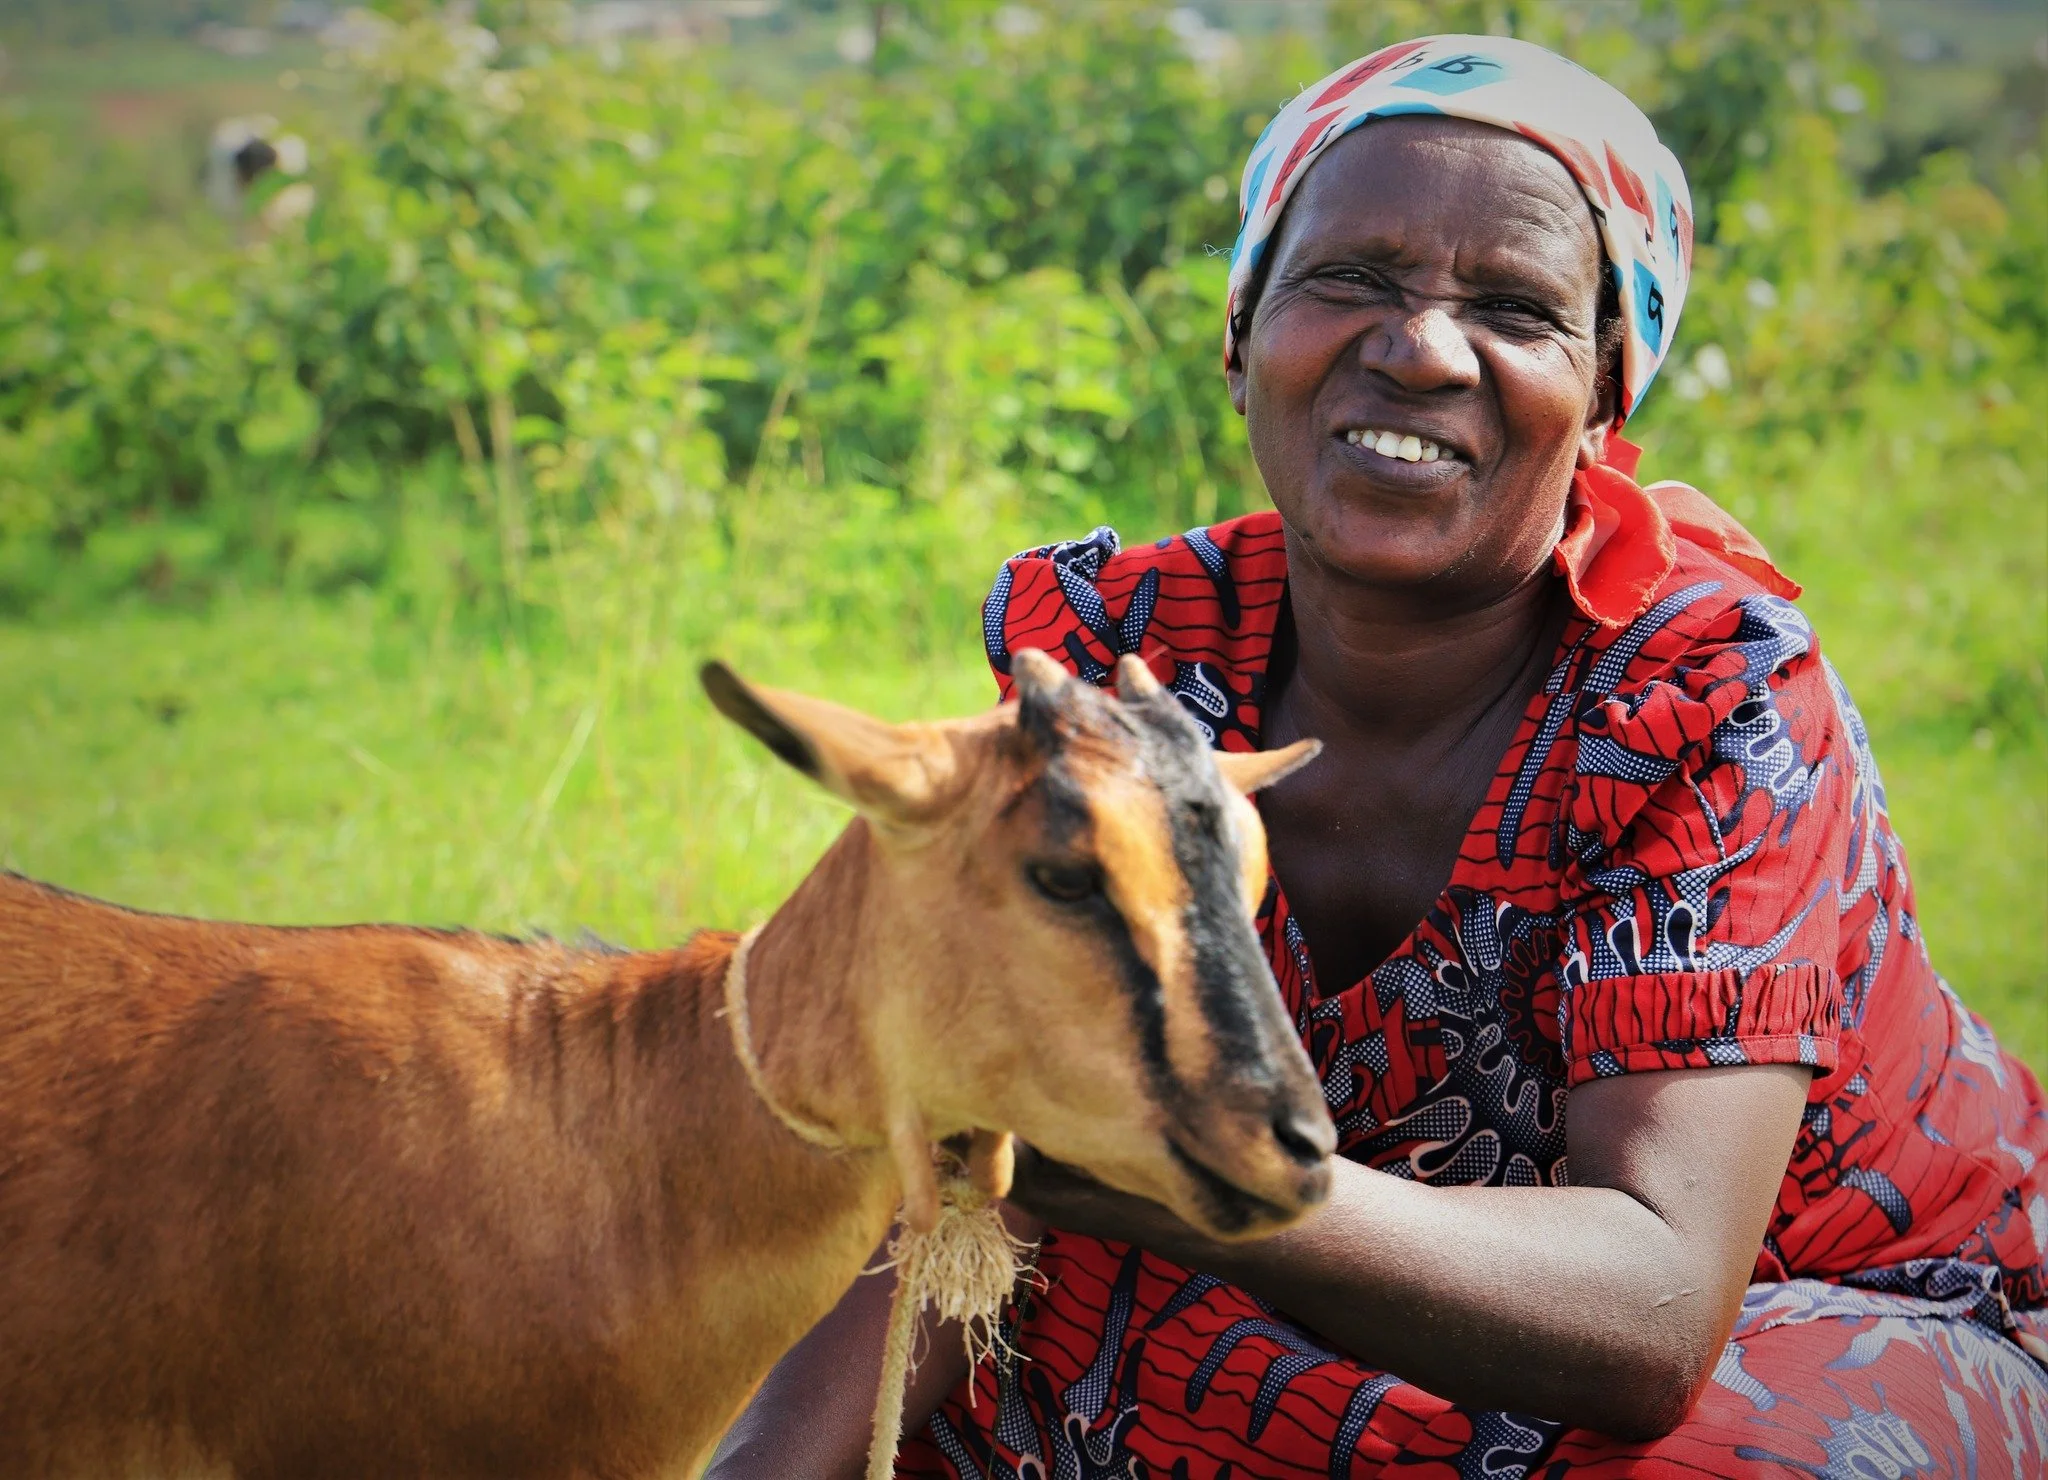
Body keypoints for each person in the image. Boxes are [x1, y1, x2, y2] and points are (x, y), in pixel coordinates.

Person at [708, 35, 2047, 1478]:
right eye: (1348, 278)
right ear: (1243, 333)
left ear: (1605, 392)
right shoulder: (1131, 660)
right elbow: (973, 1188)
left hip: (1800, 1325)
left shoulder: (1700, 695)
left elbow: (1656, 1320)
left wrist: (1209, 1176)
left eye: (1515, 307)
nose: (1416, 348)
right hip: (1313, 1281)